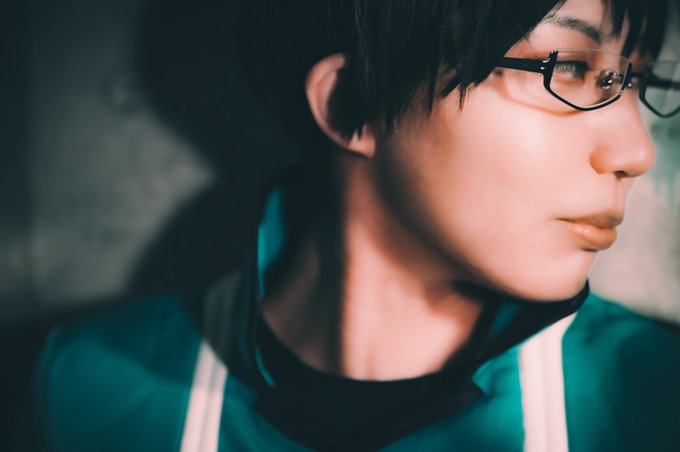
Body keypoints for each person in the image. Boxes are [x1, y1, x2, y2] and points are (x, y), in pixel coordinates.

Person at [28, 0, 680, 451]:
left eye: (637, 80)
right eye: (569, 67)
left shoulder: (654, 397)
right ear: (352, 104)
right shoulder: (87, 389)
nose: (637, 151)